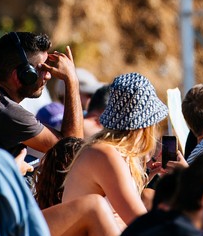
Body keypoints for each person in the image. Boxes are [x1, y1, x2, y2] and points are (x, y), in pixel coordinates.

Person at [61, 72, 169, 225]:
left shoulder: (107, 151)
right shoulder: (106, 154)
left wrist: (145, 176)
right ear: (146, 127)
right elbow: (140, 224)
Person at [0, 32, 83, 156]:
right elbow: (72, 149)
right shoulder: (6, 111)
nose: (48, 75)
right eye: (42, 69)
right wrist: (72, 81)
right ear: (22, 75)